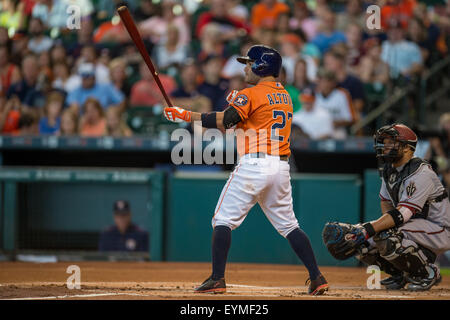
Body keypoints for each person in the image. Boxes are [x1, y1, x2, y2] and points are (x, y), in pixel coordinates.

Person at [163, 44, 328, 295]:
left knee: (222, 220)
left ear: (262, 66)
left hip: (254, 164)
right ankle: (317, 277)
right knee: (289, 226)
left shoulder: (251, 93)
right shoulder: (284, 95)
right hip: (281, 167)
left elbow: (226, 121)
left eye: (249, 63)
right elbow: (244, 120)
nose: (246, 68)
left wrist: (185, 115)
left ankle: (217, 278)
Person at [324, 123, 450, 291]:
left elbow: (402, 215)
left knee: (383, 235)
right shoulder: (389, 170)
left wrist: (368, 229)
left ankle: (427, 272)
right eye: (384, 142)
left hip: (440, 229)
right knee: (363, 244)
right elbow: (387, 203)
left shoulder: (420, 172)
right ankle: (399, 273)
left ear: (406, 148)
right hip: (413, 226)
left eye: (391, 142)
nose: (385, 146)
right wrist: (367, 233)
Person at [314, 69, 356, 139]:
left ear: (332, 83)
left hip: (336, 130)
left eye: (324, 81)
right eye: (320, 80)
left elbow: (350, 118)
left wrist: (331, 123)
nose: (321, 83)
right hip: (317, 129)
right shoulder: (314, 94)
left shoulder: (342, 95)